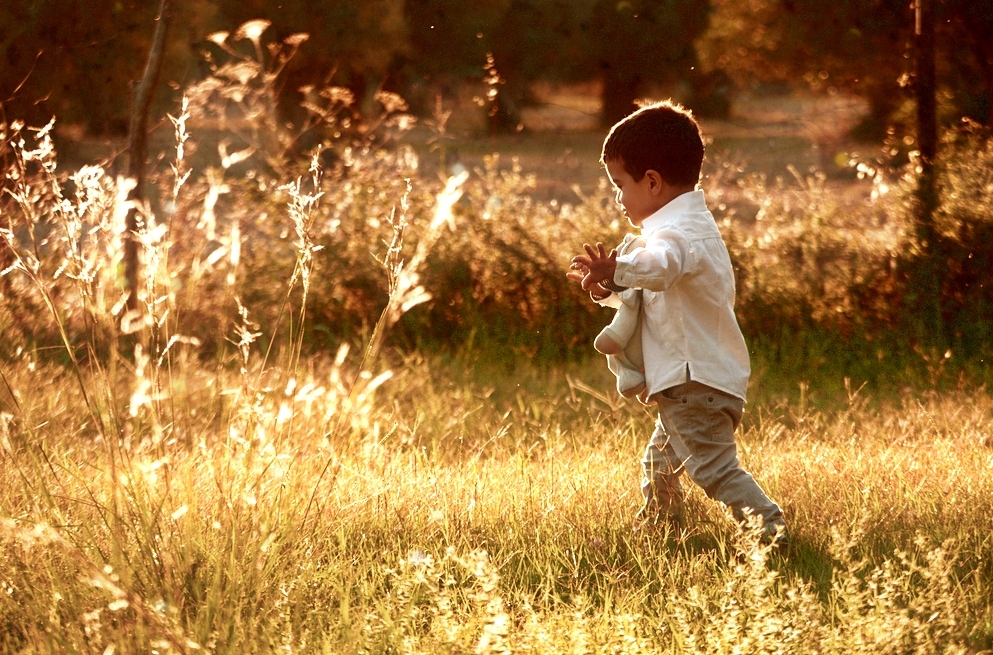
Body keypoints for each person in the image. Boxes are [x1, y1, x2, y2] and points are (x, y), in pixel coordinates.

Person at [567, 101, 787, 544]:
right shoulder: (684, 228)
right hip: (697, 383)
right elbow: (650, 289)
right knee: (659, 464)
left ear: (652, 181)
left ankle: (769, 530)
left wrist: (619, 270)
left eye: (620, 184)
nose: (617, 197)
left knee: (714, 469)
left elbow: (661, 268)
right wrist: (608, 287)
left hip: (695, 385)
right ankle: (662, 533)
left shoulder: (677, 235)